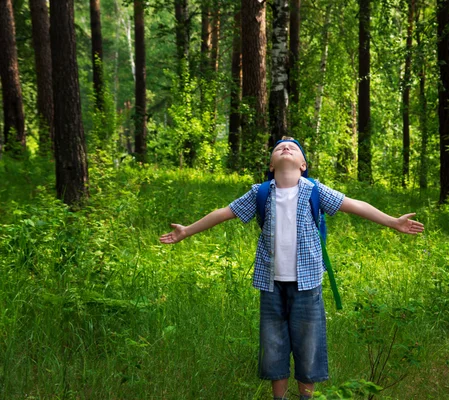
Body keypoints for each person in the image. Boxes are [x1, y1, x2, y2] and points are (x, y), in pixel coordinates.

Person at [159, 137, 424, 399]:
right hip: (271, 284)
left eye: (293, 147)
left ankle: (306, 397)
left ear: (303, 165)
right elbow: (222, 213)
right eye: (279, 147)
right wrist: (187, 231)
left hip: (307, 285)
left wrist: (393, 222)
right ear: (272, 165)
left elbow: (356, 205)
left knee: (308, 346)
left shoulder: (315, 191)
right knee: (273, 346)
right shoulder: (260, 193)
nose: (285, 147)